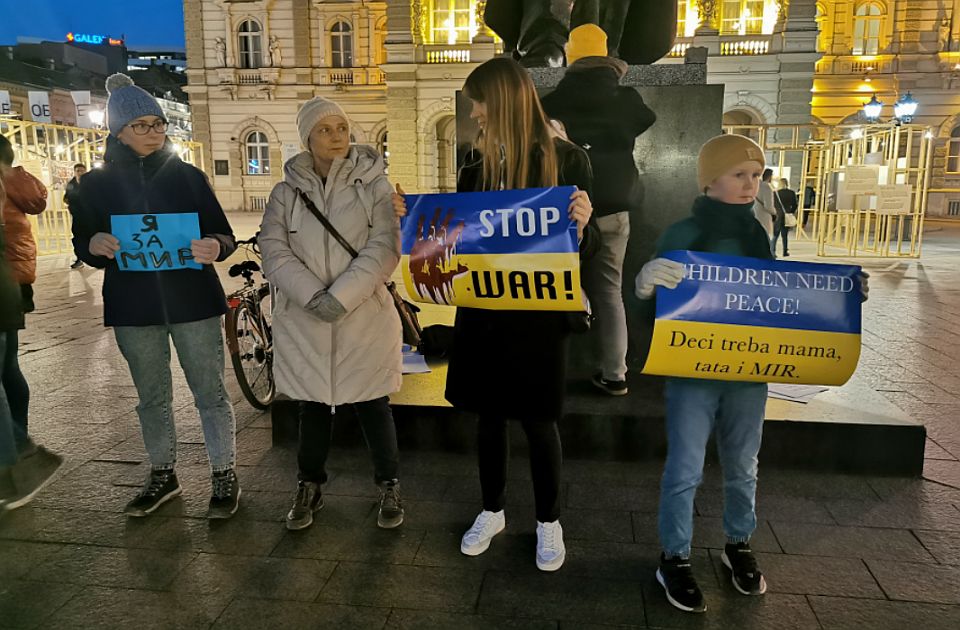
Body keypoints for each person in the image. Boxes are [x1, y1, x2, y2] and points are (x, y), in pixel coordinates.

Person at [635, 134, 869, 613]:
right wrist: (643, 287)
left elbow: (777, 300)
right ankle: (674, 556)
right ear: (710, 180)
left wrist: (841, 296)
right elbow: (655, 317)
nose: (750, 184)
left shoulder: (755, 232)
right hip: (692, 373)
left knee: (744, 464)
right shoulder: (681, 233)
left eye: (757, 175)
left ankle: (737, 543)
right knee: (685, 468)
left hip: (746, 373)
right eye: (740, 174)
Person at [394, 57, 595, 572]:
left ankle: (549, 521)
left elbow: (580, 256)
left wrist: (581, 223)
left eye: (479, 100)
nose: (475, 111)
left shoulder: (567, 161)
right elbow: (458, 240)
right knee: (489, 416)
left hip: (539, 313)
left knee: (539, 419)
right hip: (485, 309)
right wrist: (412, 221)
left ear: (502, 99)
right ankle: (492, 510)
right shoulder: (472, 166)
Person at [71, 73, 240, 519]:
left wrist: (215, 246)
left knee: (210, 392)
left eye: (159, 124)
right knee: (151, 395)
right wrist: (94, 245)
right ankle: (163, 472)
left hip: (193, 300)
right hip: (134, 305)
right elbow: (82, 241)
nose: (154, 133)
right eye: (142, 126)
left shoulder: (187, 176)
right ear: (118, 131)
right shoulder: (95, 185)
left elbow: (223, 233)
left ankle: (224, 472)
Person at [259, 96, 405, 532]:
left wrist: (340, 296)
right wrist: (311, 296)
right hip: (305, 320)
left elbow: (385, 246)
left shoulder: (376, 186)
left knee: (373, 405)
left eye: (341, 127)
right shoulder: (285, 192)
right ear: (307, 137)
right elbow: (273, 248)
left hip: (362, 315)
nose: (336, 136)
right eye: (324, 129)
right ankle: (308, 484)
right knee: (313, 408)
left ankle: (389, 483)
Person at [541, 23, 656, 396]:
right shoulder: (627, 100)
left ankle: (551, 369)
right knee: (609, 291)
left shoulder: (555, 101)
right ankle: (614, 373)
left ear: (571, 59)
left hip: (568, 210)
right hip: (614, 209)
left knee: (555, 290)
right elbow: (646, 118)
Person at [0, 171, 64, 512]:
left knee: (7, 370)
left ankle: (18, 461)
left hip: (5, 282)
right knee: (7, 369)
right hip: (10, 281)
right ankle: (22, 451)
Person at [0, 135, 47, 313]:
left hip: (8, 265)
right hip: (18, 267)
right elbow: (38, 200)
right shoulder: (18, 180)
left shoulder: (7, 181)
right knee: (10, 325)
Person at [64, 163, 87, 268]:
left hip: (91, 216)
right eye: (78, 171)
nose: (80, 173)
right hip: (77, 216)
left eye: (82, 170)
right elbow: (66, 198)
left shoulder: (91, 183)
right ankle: (79, 258)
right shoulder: (71, 184)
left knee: (95, 236)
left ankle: (101, 259)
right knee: (77, 238)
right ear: (74, 172)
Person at [773, 178, 798, 257]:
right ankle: (785, 251)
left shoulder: (775, 193)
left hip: (778, 216)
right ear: (787, 183)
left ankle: (772, 251)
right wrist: (791, 212)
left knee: (775, 235)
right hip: (787, 216)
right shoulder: (791, 193)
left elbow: (772, 205)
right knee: (785, 235)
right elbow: (795, 204)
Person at [753, 168, 776, 246]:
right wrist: (775, 212)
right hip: (764, 217)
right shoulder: (766, 187)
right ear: (770, 176)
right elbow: (768, 206)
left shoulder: (755, 186)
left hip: (754, 215)